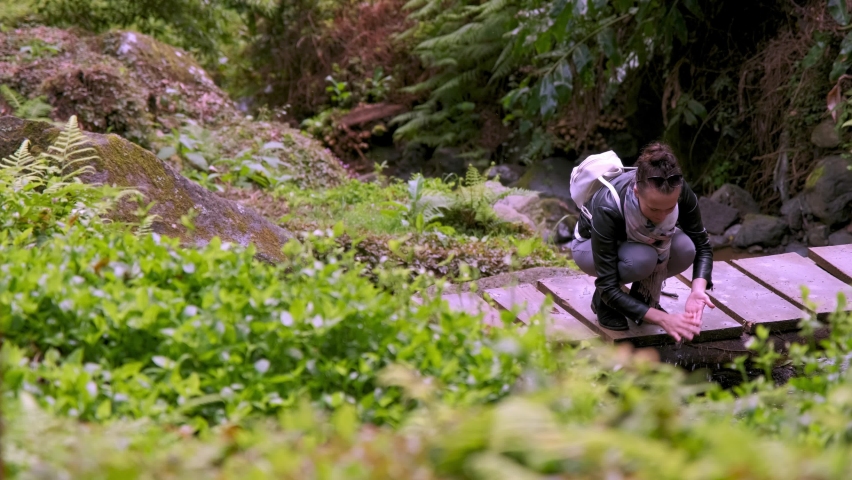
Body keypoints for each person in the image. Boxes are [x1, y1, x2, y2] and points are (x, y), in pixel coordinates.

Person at [571, 142, 715, 342]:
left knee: (685, 249)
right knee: (642, 259)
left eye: (670, 208)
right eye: (654, 209)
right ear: (637, 192)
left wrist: (697, 291)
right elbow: (609, 283)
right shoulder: (608, 205)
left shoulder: (680, 190)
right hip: (588, 247)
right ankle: (603, 302)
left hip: (640, 243)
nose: (663, 215)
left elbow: (703, 246)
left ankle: (642, 299)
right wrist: (662, 318)